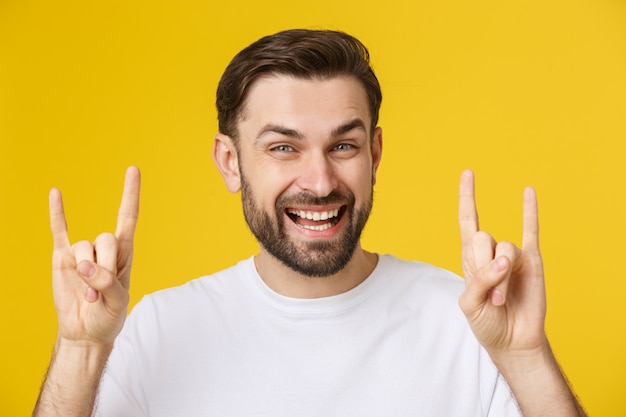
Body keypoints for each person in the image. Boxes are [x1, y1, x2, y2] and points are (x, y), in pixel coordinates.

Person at [33, 29, 586, 416]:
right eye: (283, 147)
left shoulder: (468, 326)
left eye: (343, 145)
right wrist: (81, 353)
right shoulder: (155, 330)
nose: (319, 181)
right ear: (230, 162)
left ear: (375, 153)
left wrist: (526, 359)